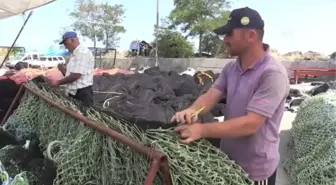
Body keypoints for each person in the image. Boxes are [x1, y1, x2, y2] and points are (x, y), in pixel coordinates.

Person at [171, 7, 289, 185]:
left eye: (229, 34)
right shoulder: (231, 68)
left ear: (251, 35)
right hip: (229, 163)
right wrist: (193, 110)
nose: (225, 39)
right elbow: (211, 96)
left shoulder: (272, 74)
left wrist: (201, 130)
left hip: (255, 172)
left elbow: (251, 124)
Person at [49, 31, 95, 107]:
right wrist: (62, 69)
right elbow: (69, 75)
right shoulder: (74, 54)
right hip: (73, 92)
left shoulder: (82, 53)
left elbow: (76, 75)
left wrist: (58, 83)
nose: (65, 47)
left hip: (82, 93)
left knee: (83, 116)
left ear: (73, 40)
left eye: (66, 44)